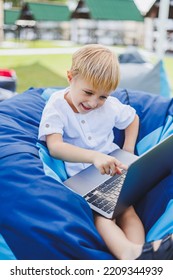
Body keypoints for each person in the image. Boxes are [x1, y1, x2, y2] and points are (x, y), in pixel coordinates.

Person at [38, 44, 173, 260]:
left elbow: (133, 119)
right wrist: (94, 157)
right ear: (70, 77)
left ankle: (143, 254)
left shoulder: (109, 105)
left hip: (116, 169)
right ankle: (130, 255)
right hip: (84, 178)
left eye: (103, 97)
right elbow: (55, 147)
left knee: (127, 210)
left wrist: (128, 151)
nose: (94, 102)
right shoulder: (56, 106)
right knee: (103, 216)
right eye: (89, 92)